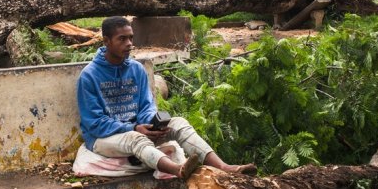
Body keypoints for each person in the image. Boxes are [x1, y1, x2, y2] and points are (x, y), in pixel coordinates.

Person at [77, 16, 257, 179]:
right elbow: (95, 123)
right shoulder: (89, 76)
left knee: (179, 123)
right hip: (102, 139)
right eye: (122, 39)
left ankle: (224, 167)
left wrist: (153, 125)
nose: (129, 43)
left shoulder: (136, 69)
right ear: (106, 41)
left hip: (138, 130)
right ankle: (178, 170)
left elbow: (147, 106)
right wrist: (134, 128)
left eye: (131, 37)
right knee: (135, 138)